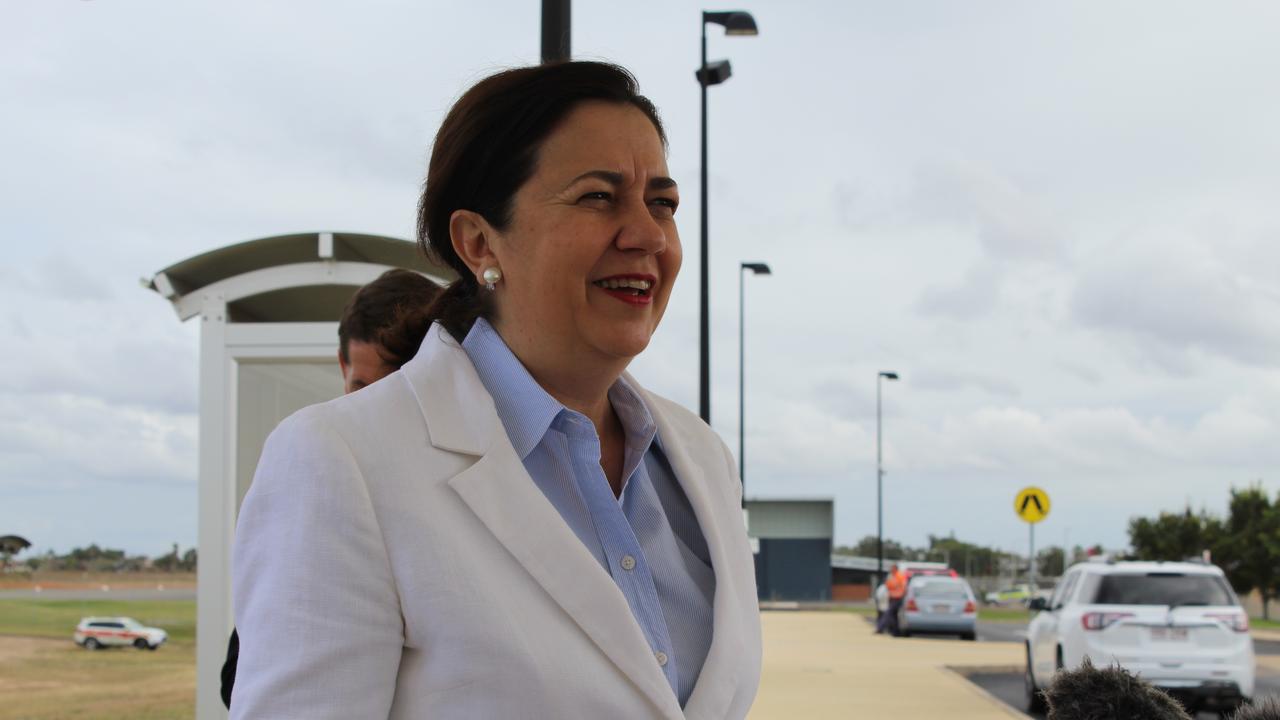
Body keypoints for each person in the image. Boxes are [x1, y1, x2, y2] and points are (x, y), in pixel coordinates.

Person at [230, 61, 761, 719]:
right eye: (599, 196)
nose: (648, 234)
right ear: (480, 241)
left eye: (663, 202)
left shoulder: (702, 459)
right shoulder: (342, 461)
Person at [220, 268, 441, 709]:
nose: (372, 412)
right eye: (361, 389)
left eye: (395, 392)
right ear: (342, 366)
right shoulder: (320, 466)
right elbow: (240, 678)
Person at [876, 564, 908, 635]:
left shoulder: (900, 576)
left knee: (888, 613)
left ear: (895, 569)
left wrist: (900, 595)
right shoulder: (891, 576)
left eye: (892, 568)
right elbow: (888, 586)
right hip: (892, 597)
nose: (890, 569)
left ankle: (880, 628)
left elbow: (903, 587)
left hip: (897, 598)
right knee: (894, 615)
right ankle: (895, 631)